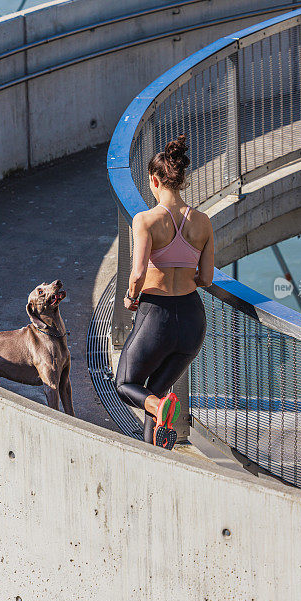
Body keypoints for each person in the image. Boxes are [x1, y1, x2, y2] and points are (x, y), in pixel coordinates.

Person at [115, 135, 214, 450]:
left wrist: (131, 298)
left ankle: (159, 409)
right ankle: (156, 449)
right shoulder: (203, 223)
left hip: (156, 315)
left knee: (125, 384)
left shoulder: (145, 220)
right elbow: (207, 278)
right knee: (157, 390)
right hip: (192, 320)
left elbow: (138, 273)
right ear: (181, 180)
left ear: (154, 181)